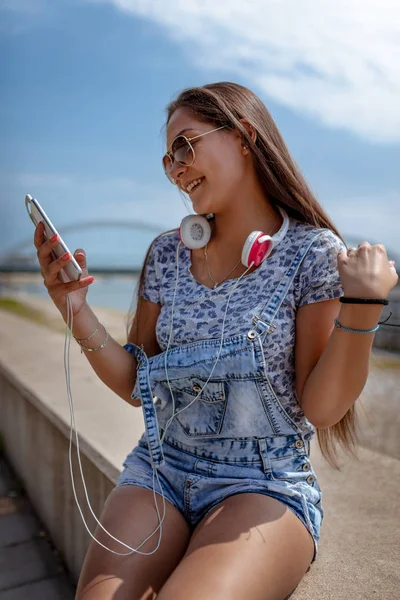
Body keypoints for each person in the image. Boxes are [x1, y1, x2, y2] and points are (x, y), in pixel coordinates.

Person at [34, 82, 398, 600]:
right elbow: (140, 383)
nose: (176, 168)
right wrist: (75, 309)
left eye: (185, 145)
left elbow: (321, 408)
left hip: (262, 485)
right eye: (168, 159)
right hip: (159, 468)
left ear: (244, 137)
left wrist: (362, 309)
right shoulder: (166, 254)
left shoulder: (312, 253)